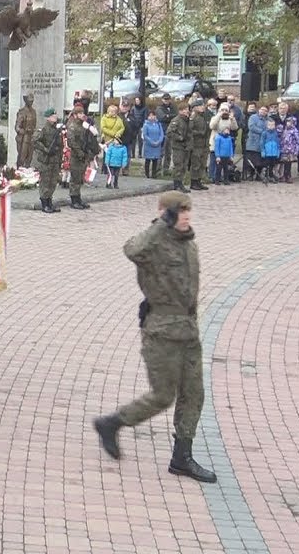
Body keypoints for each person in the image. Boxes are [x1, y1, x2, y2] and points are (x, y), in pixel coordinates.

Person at [93, 191, 217, 484]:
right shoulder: (153, 244)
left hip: (188, 330)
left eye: (187, 210)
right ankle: (112, 423)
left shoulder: (189, 244)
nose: (185, 216)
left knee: (194, 393)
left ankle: (182, 457)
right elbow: (131, 250)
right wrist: (161, 224)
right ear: (164, 213)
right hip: (161, 331)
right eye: (178, 211)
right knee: (163, 395)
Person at [67, 108, 101, 206]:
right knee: (75, 178)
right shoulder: (72, 126)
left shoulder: (84, 126)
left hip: (83, 155)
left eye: (83, 113)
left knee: (80, 178)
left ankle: (78, 198)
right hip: (76, 155)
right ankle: (74, 200)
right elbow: (71, 142)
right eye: (80, 113)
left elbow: (88, 140)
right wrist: (79, 152)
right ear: (75, 115)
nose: (82, 115)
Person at [34, 109, 63, 213]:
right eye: (53, 116)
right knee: (45, 182)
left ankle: (49, 201)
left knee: (53, 181)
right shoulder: (43, 129)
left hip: (55, 160)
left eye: (55, 115)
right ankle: (44, 203)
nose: (55, 117)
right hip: (45, 160)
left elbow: (59, 144)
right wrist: (46, 149)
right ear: (48, 118)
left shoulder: (56, 129)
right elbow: (35, 141)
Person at [209, 103, 238, 185]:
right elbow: (212, 126)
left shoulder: (229, 119)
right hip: (216, 141)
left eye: (226, 110)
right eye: (222, 110)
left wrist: (233, 119)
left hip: (225, 142)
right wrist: (219, 116)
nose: (224, 111)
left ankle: (222, 177)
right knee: (214, 160)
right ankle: (212, 177)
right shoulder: (215, 118)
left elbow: (234, 128)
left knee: (224, 163)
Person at [166, 103, 192, 192]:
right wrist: (179, 138)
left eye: (187, 109)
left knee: (184, 166)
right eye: (185, 109)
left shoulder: (188, 120)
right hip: (178, 146)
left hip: (186, 146)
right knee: (178, 165)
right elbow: (169, 132)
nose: (187, 111)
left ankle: (181, 182)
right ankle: (176, 184)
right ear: (180, 111)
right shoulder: (176, 120)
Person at [244, 105, 268, 180]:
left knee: (261, 160)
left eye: (265, 110)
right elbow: (251, 127)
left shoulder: (269, 119)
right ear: (259, 110)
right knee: (251, 160)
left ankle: (258, 175)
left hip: (263, 142)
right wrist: (262, 131)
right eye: (262, 109)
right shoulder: (253, 117)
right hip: (253, 141)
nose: (263, 111)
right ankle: (250, 175)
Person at [278, 109, 299, 183]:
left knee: (288, 164)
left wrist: (296, 151)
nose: (289, 124)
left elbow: (298, 141)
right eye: (288, 122)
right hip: (283, 150)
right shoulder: (284, 130)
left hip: (291, 150)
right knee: (283, 163)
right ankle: (282, 176)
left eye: (291, 122)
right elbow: (280, 138)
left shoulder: (295, 131)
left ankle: (288, 176)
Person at [14, 94, 37, 169]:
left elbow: (34, 125)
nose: (31, 102)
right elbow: (17, 127)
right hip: (24, 137)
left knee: (30, 157)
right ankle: (20, 171)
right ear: (26, 101)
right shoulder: (22, 112)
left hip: (31, 137)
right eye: (30, 101)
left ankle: (27, 170)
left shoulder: (33, 112)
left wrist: (33, 130)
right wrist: (22, 131)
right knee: (22, 157)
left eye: (32, 101)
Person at [141, 110, 164, 179]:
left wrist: (159, 141)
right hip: (149, 145)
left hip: (157, 145)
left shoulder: (158, 124)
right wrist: (152, 142)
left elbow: (161, 134)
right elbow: (145, 135)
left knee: (155, 161)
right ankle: (147, 174)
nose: (151, 117)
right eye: (150, 115)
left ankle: (154, 174)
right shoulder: (146, 125)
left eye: (153, 115)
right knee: (148, 160)